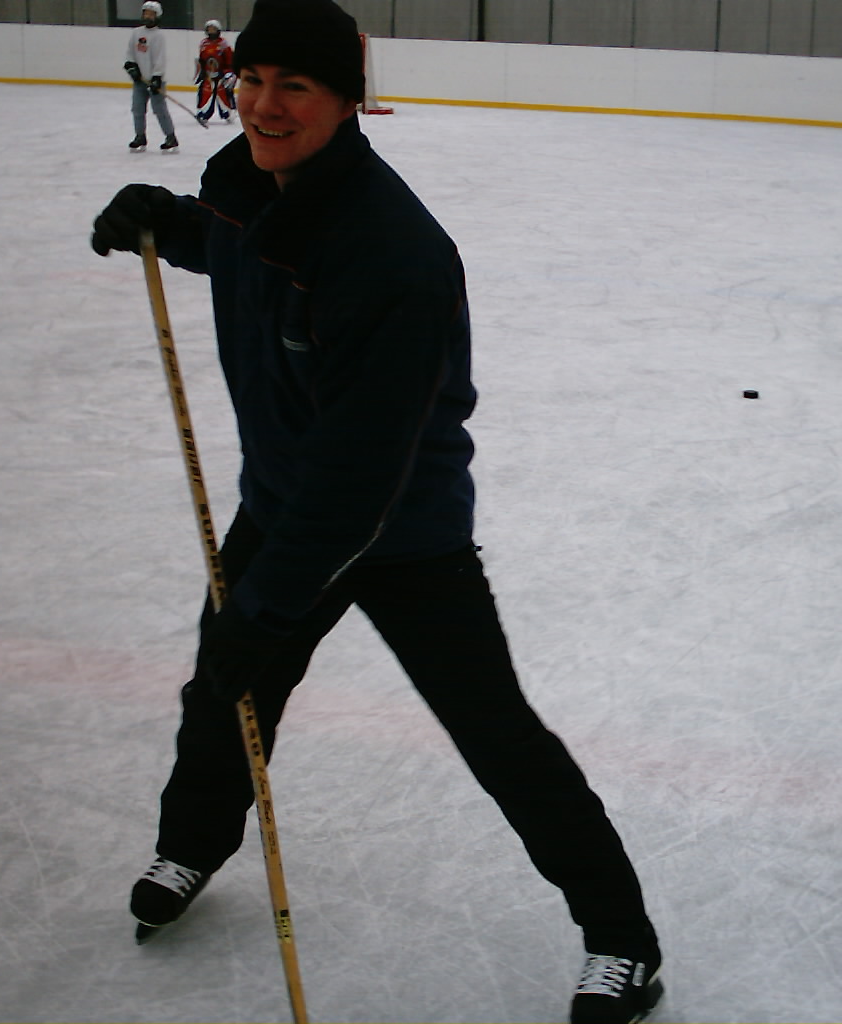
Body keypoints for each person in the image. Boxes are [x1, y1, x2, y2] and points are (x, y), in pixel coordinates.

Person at [89, 0, 661, 1020]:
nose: (264, 104)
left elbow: (360, 474)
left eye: (295, 87)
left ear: (347, 103)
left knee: (494, 735)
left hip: (402, 531)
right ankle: (190, 849)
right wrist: (164, 224)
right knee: (221, 699)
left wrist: (262, 609)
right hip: (283, 502)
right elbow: (242, 250)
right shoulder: (241, 182)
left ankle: (621, 940)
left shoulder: (392, 253)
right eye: (254, 78)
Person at [123, 0, 178, 151]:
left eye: (151, 14)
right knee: (137, 109)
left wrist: (157, 77)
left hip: (154, 81)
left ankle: (171, 137)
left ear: (157, 16)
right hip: (140, 81)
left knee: (160, 110)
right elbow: (130, 53)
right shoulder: (136, 33)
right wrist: (131, 66)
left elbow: (160, 58)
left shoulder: (159, 36)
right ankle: (140, 136)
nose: (147, 16)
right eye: (145, 13)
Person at [194, 19, 237, 123]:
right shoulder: (204, 43)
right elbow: (202, 60)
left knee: (223, 93)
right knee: (205, 92)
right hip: (208, 75)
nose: (211, 31)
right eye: (209, 29)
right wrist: (202, 71)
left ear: (218, 30)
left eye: (213, 29)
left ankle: (228, 113)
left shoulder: (224, 44)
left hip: (221, 75)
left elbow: (230, 60)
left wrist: (227, 73)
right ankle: (203, 113)